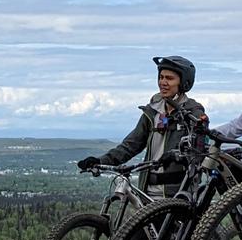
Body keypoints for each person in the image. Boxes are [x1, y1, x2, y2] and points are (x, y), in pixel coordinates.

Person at [77, 55, 205, 198]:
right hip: (147, 192)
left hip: (178, 194)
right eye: (161, 77)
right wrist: (100, 161)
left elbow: (198, 153)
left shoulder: (194, 113)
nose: (163, 82)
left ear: (184, 83)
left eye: (169, 78)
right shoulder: (152, 112)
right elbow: (130, 145)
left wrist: (175, 155)